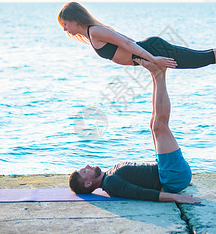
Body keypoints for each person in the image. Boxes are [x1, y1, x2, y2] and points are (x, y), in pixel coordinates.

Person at [68, 58, 201, 204]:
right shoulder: (111, 184)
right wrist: (175, 196)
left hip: (170, 174)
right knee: (159, 126)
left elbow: (143, 179)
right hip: (171, 177)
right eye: (84, 171)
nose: (87, 166)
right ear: (88, 184)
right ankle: (159, 74)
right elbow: (141, 193)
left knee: (154, 125)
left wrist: (180, 182)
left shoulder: (109, 176)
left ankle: (156, 74)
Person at [58, 2, 216, 69]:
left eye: (65, 23)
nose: (65, 29)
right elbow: (125, 46)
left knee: (200, 59)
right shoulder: (91, 33)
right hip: (148, 54)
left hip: (153, 50)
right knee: (199, 59)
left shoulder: (95, 31)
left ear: (74, 18)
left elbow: (126, 42)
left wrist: (153, 59)